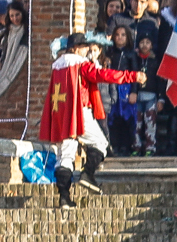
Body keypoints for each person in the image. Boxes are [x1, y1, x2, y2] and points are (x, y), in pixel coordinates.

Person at [41, 33, 145, 204]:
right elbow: (103, 75)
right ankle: (87, 175)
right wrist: (132, 76)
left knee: (64, 155)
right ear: (75, 48)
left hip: (59, 111)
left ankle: (64, 199)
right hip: (78, 111)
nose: (86, 49)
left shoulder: (57, 67)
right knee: (100, 144)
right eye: (83, 46)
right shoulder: (80, 64)